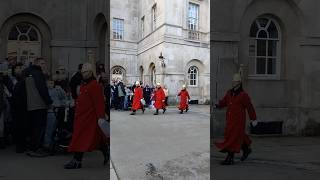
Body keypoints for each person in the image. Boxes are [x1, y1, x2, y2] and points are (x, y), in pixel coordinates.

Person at [64, 63, 107, 169]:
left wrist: (101, 117)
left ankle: (77, 160)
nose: (83, 74)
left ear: (91, 72)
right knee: (95, 139)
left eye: (86, 72)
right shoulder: (85, 85)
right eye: (82, 72)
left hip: (89, 117)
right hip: (82, 116)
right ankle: (106, 152)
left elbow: (99, 102)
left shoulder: (94, 85)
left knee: (82, 138)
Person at [214, 73, 258, 165]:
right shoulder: (229, 93)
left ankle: (230, 158)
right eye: (233, 81)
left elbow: (249, 107)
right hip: (230, 119)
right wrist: (218, 105)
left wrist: (253, 118)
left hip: (239, 120)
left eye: (236, 81)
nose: (234, 82)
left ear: (239, 82)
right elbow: (224, 102)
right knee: (237, 136)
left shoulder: (243, 95)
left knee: (233, 137)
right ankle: (246, 149)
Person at [23, 58, 53, 157]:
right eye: (42, 63)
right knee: (39, 128)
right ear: (37, 64)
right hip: (39, 104)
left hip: (31, 105)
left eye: (45, 63)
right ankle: (35, 149)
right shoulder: (38, 73)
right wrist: (49, 102)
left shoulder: (28, 73)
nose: (44, 65)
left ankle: (32, 148)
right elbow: (42, 89)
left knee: (34, 127)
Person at [11, 63, 28, 153]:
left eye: (20, 68)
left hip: (21, 106)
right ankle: (19, 145)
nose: (19, 70)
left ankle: (21, 145)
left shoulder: (23, 79)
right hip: (16, 106)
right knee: (18, 126)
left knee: (21, 126)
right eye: (17, 68)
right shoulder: (12, 79)